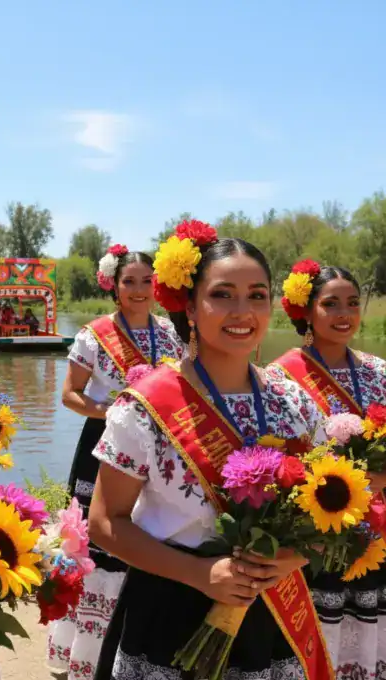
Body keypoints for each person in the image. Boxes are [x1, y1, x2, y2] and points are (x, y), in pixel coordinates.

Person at [88, 223, 330, 680]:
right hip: (170, 608)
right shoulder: (143, 407)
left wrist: (293, 557)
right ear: (190, 307)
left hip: (270, 609)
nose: (243, 311)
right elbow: (104, 524)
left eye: (257, 295)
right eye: (222, 295)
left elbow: (327, 507)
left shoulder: (294, 402)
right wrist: (199, 573)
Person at [47, 245, 185, 680]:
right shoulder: (94, 334)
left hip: (160, 450)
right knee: (98, 543)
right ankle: (82, 654)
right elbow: (70, 395)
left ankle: (132, 643)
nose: (140, 289)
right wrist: (115, 412)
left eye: (147, 281)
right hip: (106, 444)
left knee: (147, 535)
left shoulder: (172, 333)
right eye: (130, 281)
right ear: (114, 285)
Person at [267, 261, 386, 678]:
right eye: (331, 304)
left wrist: (376, 480)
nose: (344, 314)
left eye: (352, 303)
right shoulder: (279, 377)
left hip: (373, 529)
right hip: (312, 533)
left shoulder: (379, 372)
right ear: (307, 310)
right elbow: (276, 457)